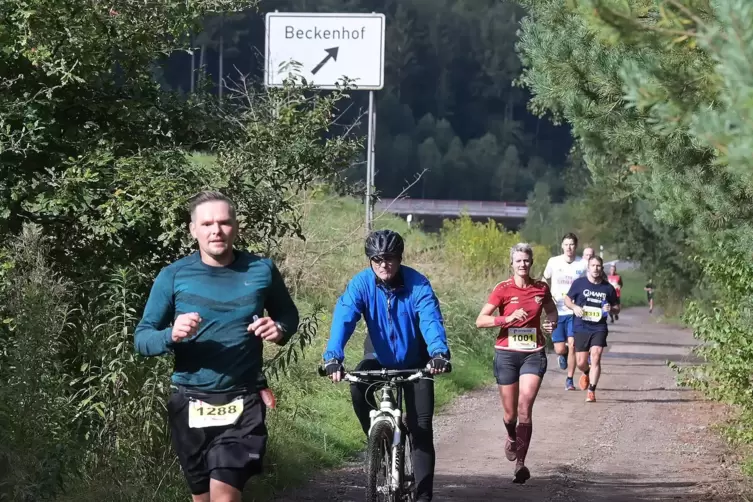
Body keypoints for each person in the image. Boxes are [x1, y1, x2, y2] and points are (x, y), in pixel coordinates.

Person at [134, 191, 300, 502]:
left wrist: (278, 328)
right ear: (193, 229)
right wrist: (171, 335)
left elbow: (288, 314)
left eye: (224, 222)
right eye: (207, 223)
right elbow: (142, 338)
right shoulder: (173, 276)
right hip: (190, 402)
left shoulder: (260, 270)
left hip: (244, 399)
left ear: (236, 226)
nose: (216, 230)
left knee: (224, 496)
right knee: (203, 498)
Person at [322, 229, 451, 502]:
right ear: (370, 260)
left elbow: (430, 319)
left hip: (417, 361)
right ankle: (377, 443)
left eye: (390, 258)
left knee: (421, 428)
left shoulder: (418, 284)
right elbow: (344, 318)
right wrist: (333, 357)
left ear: (400, 258)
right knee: (358, 387)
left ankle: (424, 497)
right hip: (378, 357)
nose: (384, 264)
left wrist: (439, 352)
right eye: (377, 259)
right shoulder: (361, 284)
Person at [476, 243, 557, 484]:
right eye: (518, 261)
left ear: (532, 263)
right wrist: (506, 318)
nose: (523, 264)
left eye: (527, 260)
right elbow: (480, 320)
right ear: (511, 263)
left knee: (525, 408)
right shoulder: (502, 289)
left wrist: (551, 323)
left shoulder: (541, 288)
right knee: (510, 415)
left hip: (534, 353)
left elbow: (552, 312)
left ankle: (521, 464)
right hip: (507, 354)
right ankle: (511, 436)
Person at [564, 256, 619, 402]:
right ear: (588, 267)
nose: (595, 268)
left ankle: (591, 390)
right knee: (581, 362)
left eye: (598, 266)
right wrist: (575, 307)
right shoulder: (579, 283)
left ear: (602, 268)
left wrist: (611, 309)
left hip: (599, 327)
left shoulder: (608, 288)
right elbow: (567, 300)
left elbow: (617, 308)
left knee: (596, 355)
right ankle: (586, 372)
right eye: (593, 265)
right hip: (581, 325)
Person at [543, 233, 587, 391]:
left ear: (576, 246)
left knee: (573, 345)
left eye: (572, 244)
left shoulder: (583, 264)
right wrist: (545, 296)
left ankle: (569, 379)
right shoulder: (553, 262)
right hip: (556, 311)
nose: (569, 247)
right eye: (566, 244)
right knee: (560, 348)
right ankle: (562, 355)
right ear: (562, 246)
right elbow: (544, 280)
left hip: (574, 311)